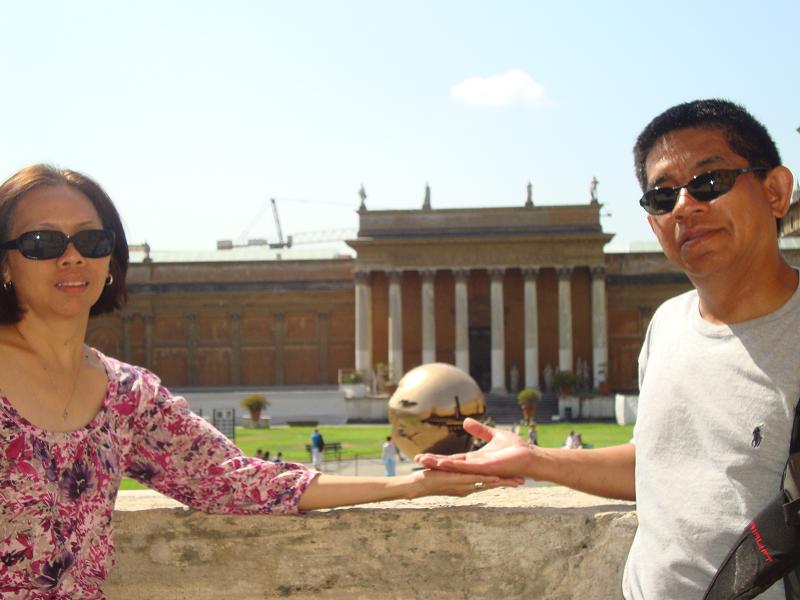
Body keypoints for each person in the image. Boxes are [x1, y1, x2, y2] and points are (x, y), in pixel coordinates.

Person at [0, 164, 520, 597]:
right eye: (42, 241)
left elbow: (239, 481)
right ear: (5, 262)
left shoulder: (128, 398)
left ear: (111, 260)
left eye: (91, 239)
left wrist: (411, 485)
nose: (72, 256)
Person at [417, 99, 799, 600]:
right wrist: (532, 458)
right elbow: (655, 465)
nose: (684, 206)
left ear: (775, 192)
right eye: (662, 197)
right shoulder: (667, 326)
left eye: (710, 182)